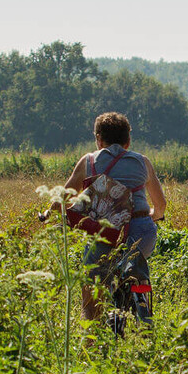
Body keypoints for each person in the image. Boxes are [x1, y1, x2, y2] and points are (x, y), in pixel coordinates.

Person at [50, 112, 168, 321]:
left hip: (106, 235)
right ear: (128, 140)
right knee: (134, 265)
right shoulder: (143, 162)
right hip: (142, 234)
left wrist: (50, 213)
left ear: (98, 139)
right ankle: (139, 303)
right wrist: (153, 215)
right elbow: (161, 206)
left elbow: (62, 199)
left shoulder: (89, 161)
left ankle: (93, 336)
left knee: (91, 293)